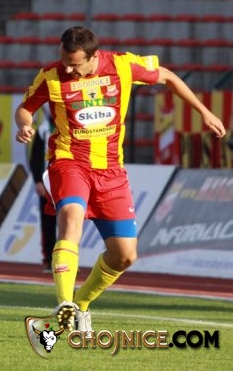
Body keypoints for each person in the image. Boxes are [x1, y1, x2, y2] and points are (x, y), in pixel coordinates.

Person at [14, 26, 226, 335]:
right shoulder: (50, 76)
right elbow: (25, 108)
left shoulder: (122, 65)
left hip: (111, 170)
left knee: (125, 255)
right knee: (71, 217)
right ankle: (64, 305)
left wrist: (204, 112)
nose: (68, 70)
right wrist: (25, 125)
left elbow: (168, 77)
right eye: (64, 62)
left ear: (93, 56)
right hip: (69, 162)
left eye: (75, 64)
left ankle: (81, 304)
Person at [27, 107, 56, 273]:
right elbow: (36, 158)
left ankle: (68, 259)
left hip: (69, 184)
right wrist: (38, 181)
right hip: (48, 184)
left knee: (70, 222)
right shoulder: (43, 129)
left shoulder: (74, 127)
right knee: (48, 223)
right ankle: (49, 260)